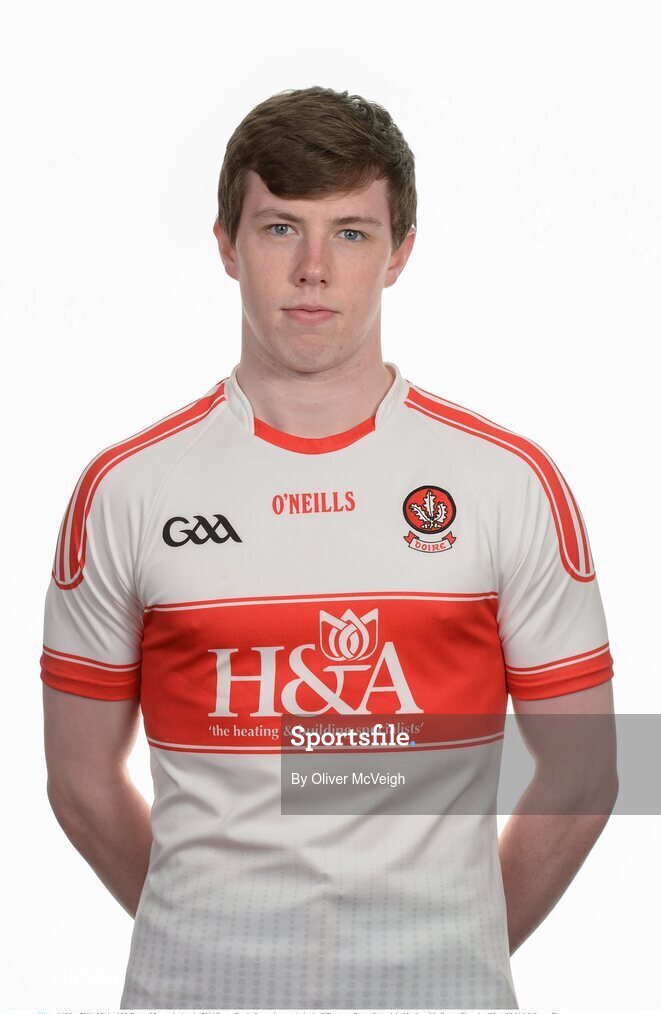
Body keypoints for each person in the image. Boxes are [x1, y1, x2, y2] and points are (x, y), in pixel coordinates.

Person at [41, 85, 618, 1010]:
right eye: (280, 229)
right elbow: (77, 781)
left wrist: (447, 952)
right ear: (226, 245)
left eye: (350, 232)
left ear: (398, 255)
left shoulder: (508, 483)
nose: (314, 268)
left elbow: (586, 774)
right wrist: (209, 938)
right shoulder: (126, 491)